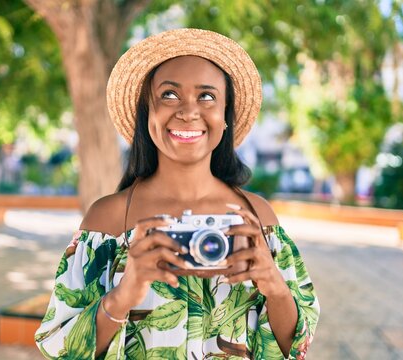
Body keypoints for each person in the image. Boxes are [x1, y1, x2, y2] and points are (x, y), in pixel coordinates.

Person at [35, 28, 319, 360]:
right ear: (148, 112)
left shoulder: (257, 219)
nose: (188, 111)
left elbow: (297, 346)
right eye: (169, 95)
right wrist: (122, 297)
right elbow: (58, 348)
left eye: (207, 96)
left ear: (225, 115)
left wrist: (275, 287)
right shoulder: (108, 220)